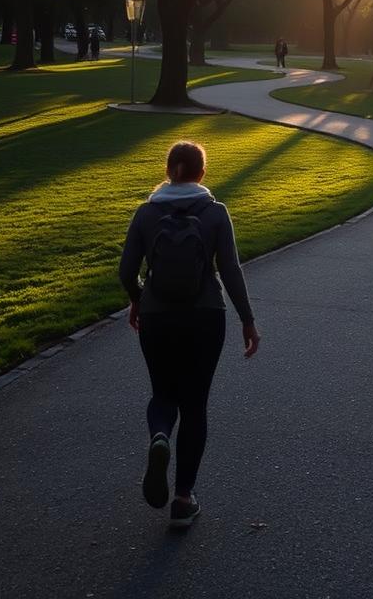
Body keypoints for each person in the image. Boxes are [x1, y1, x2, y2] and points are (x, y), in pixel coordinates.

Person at [119, 141, 260, 527]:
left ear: (169, 171)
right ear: (202, 173)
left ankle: (160, 436)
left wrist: (138, 300)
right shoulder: (215, 213)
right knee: (195, 405)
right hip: (205, 317)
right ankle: (183, 499)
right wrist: (248, 319)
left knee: (163, 393)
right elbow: (230, 270)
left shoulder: (146, 213)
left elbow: (126, 271)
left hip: (158, 319)